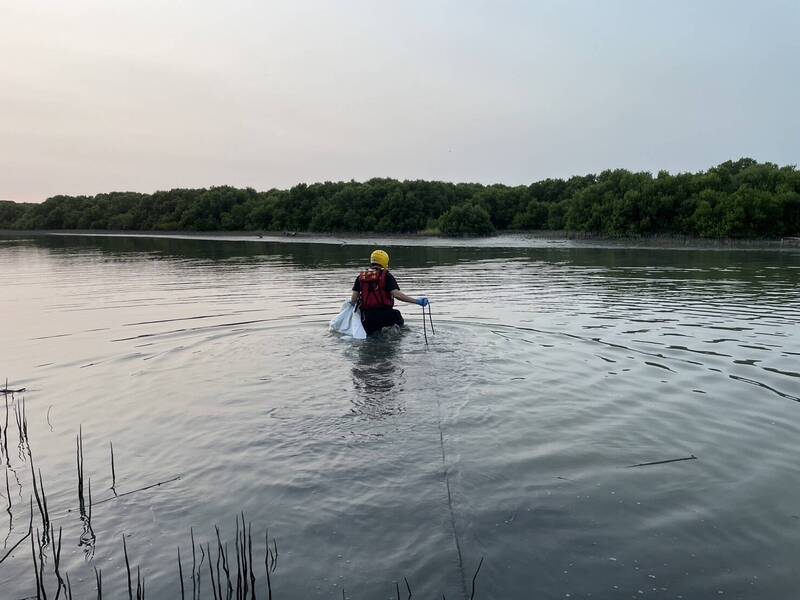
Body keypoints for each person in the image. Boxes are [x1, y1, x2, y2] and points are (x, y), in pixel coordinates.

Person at [350, 249, 428, 335]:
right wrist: (417, 301)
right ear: (385, 261)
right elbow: (397, 294)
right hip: (387, 315)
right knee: (398, 321)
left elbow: (353, 300)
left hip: (367, 318)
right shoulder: (386, 276)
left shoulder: (361, 277)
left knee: (372, 337)